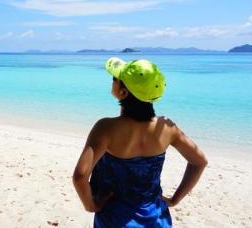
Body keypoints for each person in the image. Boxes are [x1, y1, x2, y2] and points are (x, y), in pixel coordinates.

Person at [73, 57, 208, 227]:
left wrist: (91, 206)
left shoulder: (106, 128)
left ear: (123, 92)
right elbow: (199, 161)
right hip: (155, 217)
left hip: (114, 217)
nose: (112, 81)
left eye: (115, 79)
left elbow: (80, 176)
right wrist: (174, 200)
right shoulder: (167, 128)